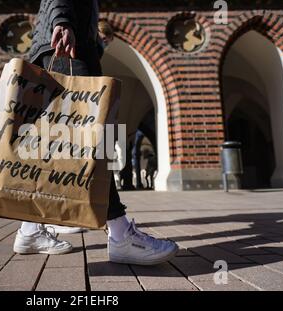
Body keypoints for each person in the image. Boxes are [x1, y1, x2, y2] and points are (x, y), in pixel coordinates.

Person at [12, 0, 178, 265]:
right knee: (92, 142)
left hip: (66, 43)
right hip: (67, 46)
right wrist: (62, 20)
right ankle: (121, 234)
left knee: (58, 144)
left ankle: (29, 229)